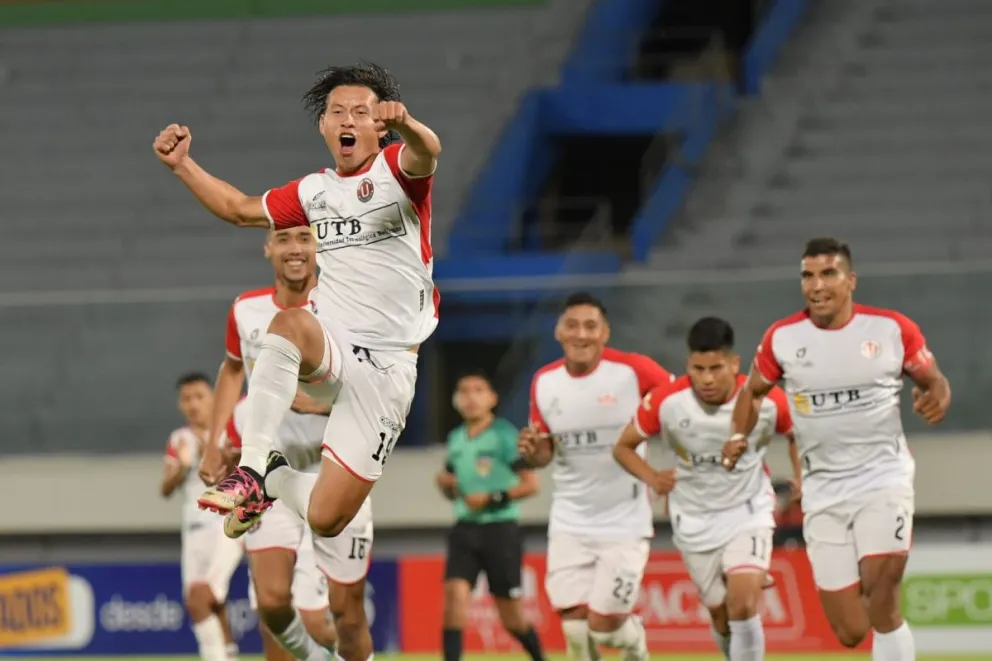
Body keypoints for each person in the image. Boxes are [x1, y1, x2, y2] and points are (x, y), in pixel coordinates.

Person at [153, 62, 441, 548]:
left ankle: (273, 477)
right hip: (333, 343)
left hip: (389, 367)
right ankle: (251, 467)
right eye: (337, 112)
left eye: (361, 112)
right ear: (323, 126)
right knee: (288, 323)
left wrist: (408, 124)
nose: (348, 120)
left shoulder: (397, 170)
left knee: (327, 518)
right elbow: (238, 209)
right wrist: (183, 165)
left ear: (380, 126)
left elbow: (428, 150)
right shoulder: (313, 191)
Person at [722, 237, 951, 661]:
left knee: (882, 599)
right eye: (807, 276)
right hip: (823, 491)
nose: (817, 285)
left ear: (851, 281)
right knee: (850, 630)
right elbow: (752, 393)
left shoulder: (891, 329)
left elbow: (934, 380)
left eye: (828, 273)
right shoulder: (782, 337)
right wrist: (738, 436)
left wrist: (936, 397)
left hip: (883, 480)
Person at [198, 227, 373, 661]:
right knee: (272, 605)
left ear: (319, 246)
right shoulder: (246, 309)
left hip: (333, 473)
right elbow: (233, 369)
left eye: (304, 239)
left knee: (342, 616)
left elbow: (377, 387)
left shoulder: (345, 307)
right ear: (268, 248)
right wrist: (214, 443)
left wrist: (321, 405)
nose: (295, 249)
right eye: (284, 239)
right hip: (270, 476)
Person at [613, 317, 801, 661]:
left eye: (716, 368)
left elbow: (797, 435)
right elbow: (622, 447)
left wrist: (803, 478)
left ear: (734, 363)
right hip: (693, 518)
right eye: (698, 369)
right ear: (688, 365)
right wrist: (652, 477)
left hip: (748, 510)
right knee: (722, 616)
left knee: (742, 603)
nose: (707, 379)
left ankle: (751, 574)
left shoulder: (766, 398)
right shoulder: (666, 401)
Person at [517, 292, 673, 661]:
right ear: (558, 332)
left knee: (606, 629)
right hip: (570, 520)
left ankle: (635, 644)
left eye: (591, 326)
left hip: (624, 522)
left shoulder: (634, 370)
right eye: (572, 325)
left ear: (605, 333)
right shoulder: (544, 381)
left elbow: (680, 403)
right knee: (574, 627)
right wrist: (534, 452)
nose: (581, 334)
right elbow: (544, 452)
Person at [224, 398, 375, 661]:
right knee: (271, 610)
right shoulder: (247, 406)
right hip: (273, 499)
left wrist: (318, 405)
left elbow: (374, 411)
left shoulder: (344, 386)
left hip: (329, 494)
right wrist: (230, 471)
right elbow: (232, 459)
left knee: (321, 623)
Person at [435, 371, 544, 661]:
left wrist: (491, 498)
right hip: (464, 529)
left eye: (478, 390)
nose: (470, 397)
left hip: (500, 530)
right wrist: (445, 485)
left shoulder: (505, 435)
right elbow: (451, 487)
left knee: (512, 617)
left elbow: (531, 484)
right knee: (454, 599)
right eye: (464, 391)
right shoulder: (456, 439)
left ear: (492, 398)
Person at [161, 373, 243, 661]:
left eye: (199, 396)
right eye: (186, 399)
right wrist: (182, 467)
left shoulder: (230, 433)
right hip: (193, 529)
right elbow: (165, 488)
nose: (193, 404)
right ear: (179, 404)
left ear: (213, 398)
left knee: (201, 598)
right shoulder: (179, 439)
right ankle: (229, 654)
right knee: (212, 603)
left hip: (225, 524)